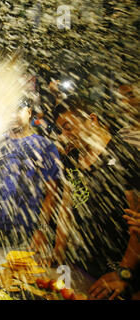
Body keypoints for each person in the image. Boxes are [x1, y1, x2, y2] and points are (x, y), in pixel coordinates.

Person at [52, 96, 139, 300]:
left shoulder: (125, 155)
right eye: (61, 130)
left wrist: (124, 272)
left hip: (119, 273)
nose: (65, 136)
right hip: (85, 265)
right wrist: (57, 254)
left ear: (91, 120)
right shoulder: (72, 159)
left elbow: (137, 225)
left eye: (68, 127)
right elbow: (65, 209)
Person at [0, 98, 61, 248]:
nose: (12, 115)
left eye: (17, 110)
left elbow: (51, 194)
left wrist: (42, 230)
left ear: (29, 112)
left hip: (24, 230)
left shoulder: (45, 146)